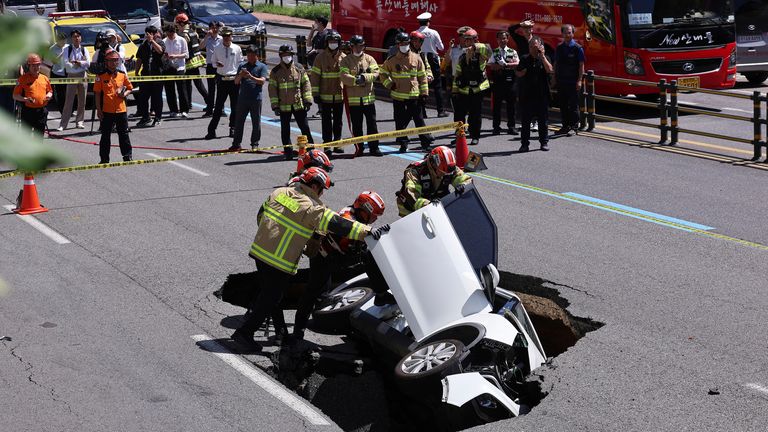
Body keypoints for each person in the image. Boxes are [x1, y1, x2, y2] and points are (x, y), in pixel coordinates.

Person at [231, 167, 385, 352]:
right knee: (271, 297)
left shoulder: (279, 192)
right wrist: (368, 232)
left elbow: (261, 216)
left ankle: (277, 334)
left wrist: (270, 236)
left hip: (259, 251)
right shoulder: (311, 208)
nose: (322, 194)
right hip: (278, 260)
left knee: (270, 296)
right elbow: (339, 224)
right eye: (322, 189)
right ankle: (244, 333)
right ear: (314, 185)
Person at [292, 190, 386, 340]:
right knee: (313, 293)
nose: (375, 218)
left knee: (323, 292)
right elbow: (351, 235)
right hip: (324, 257)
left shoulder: (354, 214)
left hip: (335, 254)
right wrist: (370, 235)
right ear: (364, 210)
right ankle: (297, 332)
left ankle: (321, 318)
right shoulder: (347, 217)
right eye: (374, 214)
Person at [380, 32, 431, 153]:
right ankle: (403, 144)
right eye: (402, 44)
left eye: (407, 43)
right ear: (398, 45)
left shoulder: (417, 58)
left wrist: (424, 93)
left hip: (414, 95)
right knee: (399, 121)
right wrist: (389, 84)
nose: (405, 45)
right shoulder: (391, 60)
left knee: (419, 120)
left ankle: (425, 142)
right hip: (398, 96)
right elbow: (382, 74)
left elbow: (422, 77)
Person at [396, 146, 472, 217]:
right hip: (411, 207)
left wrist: (463, 185)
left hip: (436, 202)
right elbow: (412, 196)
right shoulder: (415, 171)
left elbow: (465, 179)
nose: (444, 175)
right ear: (433, 164)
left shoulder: (448, 168)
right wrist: (428, 204)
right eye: (442, 172)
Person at [269, 45, 314, 160]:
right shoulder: (275, 71)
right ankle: (288, 152)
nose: (286, 57)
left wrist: (307, 100)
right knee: (285, 130)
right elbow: (272, 89)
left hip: (298, 105)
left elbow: (306, 84)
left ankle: (311, 151)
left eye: (288, 55)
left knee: (305, 128)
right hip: (284, 107)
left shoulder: (299, 68)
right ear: (280, 56)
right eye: (284, 55)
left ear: (292, 55)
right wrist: (275, 106)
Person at [339, 35, 382, 157]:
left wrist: (364, 77)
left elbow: (376, 73)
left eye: (361, 46)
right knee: (357, 126)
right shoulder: (346, 61)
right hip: (354, 102)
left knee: (372, 125)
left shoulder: (369, 59)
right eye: (356, 46)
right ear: (351, 47)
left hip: (368, 100)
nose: (359, 48)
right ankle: (359, 148)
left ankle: (374, 148)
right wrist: (356, 80)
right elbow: (343, 76)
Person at [94, 49, 134, 163]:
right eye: (111, 60)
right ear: (106, 62)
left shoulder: (122, 75)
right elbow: (97, 94)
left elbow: (130, 88)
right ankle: (104, 159)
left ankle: (127, 156)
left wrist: (124, 94)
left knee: (124, 134)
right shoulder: (100, 76)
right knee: (105, 136)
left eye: (116, 60)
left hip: (121, 109)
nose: (114, 63)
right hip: (107, 110)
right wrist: (98, 110)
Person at [310, 30, 345, 155]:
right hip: (324, 97)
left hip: (340, 96)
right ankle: (327, 146)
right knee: (326, 123)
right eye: (331, 41)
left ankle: (337, 145)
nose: (333, 44)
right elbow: (314, 77)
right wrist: (316, 94)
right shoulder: (320, 58)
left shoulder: (344, 57)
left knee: (338, 122)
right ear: (326, 43)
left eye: (335, 42)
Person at [516, 36, 553, 152]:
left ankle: (544, 142)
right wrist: (521, 72)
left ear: (541, 47)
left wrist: (542, 56)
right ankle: (524, 144)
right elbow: (518, 72)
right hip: (527, 96)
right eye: (531, 47)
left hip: (542, 95)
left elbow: (550, 70)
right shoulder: (524, 58)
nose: (533, 49)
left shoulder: (545, 58)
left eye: (535, 47)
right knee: (525, 122)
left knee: (543, 121)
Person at [453, 29, 490, 145]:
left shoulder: (482, 53)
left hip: (477, 90)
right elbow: (457, 75)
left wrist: (474, 46)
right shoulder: (462, 57)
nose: (466, 42)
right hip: (463, 90)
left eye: (469, 40)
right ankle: (460, 135)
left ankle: (475, 136)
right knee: (459, 115)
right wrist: (454, 90)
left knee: (475, 115)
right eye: (465, 39)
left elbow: (487, 49)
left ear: (475, 39)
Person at [205, 27, 243, 140]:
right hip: (222, 79)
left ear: (231, 37)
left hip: (234, 80)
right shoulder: (217, 48)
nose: (226, 38)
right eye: (225, 36)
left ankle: (233, 128)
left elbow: (240, 63)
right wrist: (217, 64)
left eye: (228, 36)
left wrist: (239, 77)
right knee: (218, 107)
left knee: (235, 107)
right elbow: (213, 62)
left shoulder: (237, 48)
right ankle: (212, 130)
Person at [230, 45, 268, 151]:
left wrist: (251, 77)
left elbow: (262, 81)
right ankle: (236, 143)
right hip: (243, 99)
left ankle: (254, 143)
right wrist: (241, 75)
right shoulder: (242, 66)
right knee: (239, 122)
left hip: (256, 99)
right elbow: (236, 82)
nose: (250, 57)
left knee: (256, 122)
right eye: (248, 55)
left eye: (252, 55)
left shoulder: (262, 66)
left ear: (257, 55)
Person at [554, 23, 585, 136]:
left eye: (570, 32)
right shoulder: (559, 48)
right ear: (562, 34)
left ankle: (574, 126)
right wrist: (553, 78)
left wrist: (579, 80)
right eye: (565, 33)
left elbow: (581, 65)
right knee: (562, 105)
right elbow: (556, 63)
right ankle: (565, 126)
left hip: (573, 82)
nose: (567, 35)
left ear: (573, 33)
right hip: (561, 81)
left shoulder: (578, 48)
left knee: (573, 105)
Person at [487, 30, 519, 135]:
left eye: (504, 38)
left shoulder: (513, 51)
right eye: (500, 38)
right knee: (496, 107)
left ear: (507, 39)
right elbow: (491, 65)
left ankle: (512, 126)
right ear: (497, 40)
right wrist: (502, 65)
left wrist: (506, 65)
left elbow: (517, 64)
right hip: (498, 83)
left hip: (510, 82)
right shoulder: (494, 52)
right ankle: (496, 127)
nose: (502, 40)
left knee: (511, 106)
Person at [416, 12, 448, 117]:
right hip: (433, 59)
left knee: (422, 85)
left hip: (420, 59)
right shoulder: (434, 32)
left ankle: (422, 112)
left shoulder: (415, 33)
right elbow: (441, 47)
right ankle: (440, 111)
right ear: (428, 22)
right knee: (437, 86)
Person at [176, 13, 209, 114]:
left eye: (177, 24)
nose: (176, 26)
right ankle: (189, 103)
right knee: (191, 83)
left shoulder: (184, 34)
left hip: (188, 61)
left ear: (181, 23)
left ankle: (209, 102)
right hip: (195, 60)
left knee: (193, 84)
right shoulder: (193, 31)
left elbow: (184, 49)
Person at [13, 54, 52, 136]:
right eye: (33, 65)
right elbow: (15, 95)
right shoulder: (22, 79)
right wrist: (25, 99)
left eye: (37, 65)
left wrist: (48, 95)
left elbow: (50, 91)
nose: (36, 67)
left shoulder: (44, 78)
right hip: (28, 112)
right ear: (29, 66)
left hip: (41, 112)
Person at [57, 29, 89, 131]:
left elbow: (88, 63)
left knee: (82, 100)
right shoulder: (67, 49)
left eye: (78, 36)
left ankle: (79, 122)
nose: (76, 38)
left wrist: (78, 63)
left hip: (83, 75)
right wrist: (78, 65)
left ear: (81, 38)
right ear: (72, 39)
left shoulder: (84, 49)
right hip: (72, 75)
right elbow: (66, 63)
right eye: (74, 37)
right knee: (69, 100)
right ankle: (63, 124)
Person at [134, 25, 166, 128]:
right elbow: (139, 59)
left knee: (157, 98)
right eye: (147, 34)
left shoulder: (160, 42)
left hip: (157, 75)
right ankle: (145, 117)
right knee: (143, 98)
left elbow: (160, 51)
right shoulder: (143, 46)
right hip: (146, 75)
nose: (149, 36)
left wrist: (152, 41)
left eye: (151, 34)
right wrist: (136, 71)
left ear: (155, 34)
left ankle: (158, 117)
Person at [443, 26, 472, 125]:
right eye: (462, 36)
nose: (465, 39)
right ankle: (459, 132)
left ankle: (471, 130)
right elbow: (447, 62)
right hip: (457, 82)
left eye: (467, 37)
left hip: (470, 81)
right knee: (458, 110)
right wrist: (450, 48)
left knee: (471, 109)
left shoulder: (473, 50)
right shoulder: (454, 49)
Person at [162, 23, 189, 118]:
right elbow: (161, 54)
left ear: (174, 32)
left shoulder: (181, 40)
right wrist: (165, 57)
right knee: (169, 90)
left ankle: (184, 109)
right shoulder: (164, 41)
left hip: (179, 67)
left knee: (182, 89)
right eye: (167, 34)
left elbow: (186, 54)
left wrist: (176, 56)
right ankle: (173, 110)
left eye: (170, 34)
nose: (169, 36)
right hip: (168, 67)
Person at [199, 21, 223, 116]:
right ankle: (209, 110)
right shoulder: (207, 39)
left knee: (221, 88)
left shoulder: (221, 39)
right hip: (210, 65)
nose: (214, 29)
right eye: (212, 28)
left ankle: (221, 109)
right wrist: (206, 36)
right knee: (211, 89)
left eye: (216, 28)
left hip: (219, 65)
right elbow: (201, 46)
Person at [47, 32, 67, 113]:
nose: (63, 43)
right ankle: (62, 110)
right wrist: (62, 54)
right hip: (57, 73)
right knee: (60, 94)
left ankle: (70, 110)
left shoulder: (68, 47)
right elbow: (53, 61)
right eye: (62, 41)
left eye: (65, 41)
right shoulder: (52, 48)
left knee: (68, 93)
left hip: (68, 72)